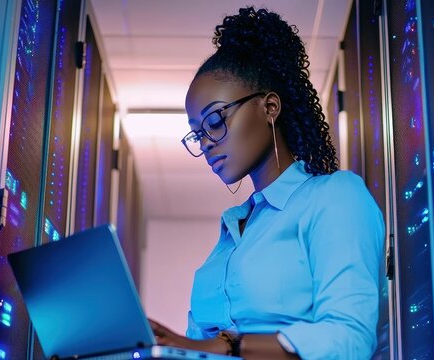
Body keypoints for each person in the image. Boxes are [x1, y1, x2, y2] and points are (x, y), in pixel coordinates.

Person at [149, 7, 385, 360]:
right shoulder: (232, 232)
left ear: (269, 107)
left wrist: (235, 346)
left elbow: (349, 339)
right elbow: (198, 348)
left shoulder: (335, 198)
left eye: (215, 120)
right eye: (198, 134)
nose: (207, 141)